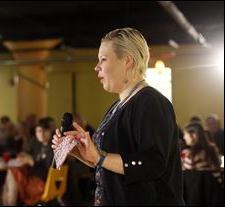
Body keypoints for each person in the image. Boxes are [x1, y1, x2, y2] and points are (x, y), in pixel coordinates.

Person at [52, 28, 184, 205]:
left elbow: (153, 163)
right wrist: (81, 152)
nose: (96, 67)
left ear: (127, 61)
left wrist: (100, 157)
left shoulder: (151, 102)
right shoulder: (118, 106)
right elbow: (108, 162)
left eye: (103, 60)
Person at [2, 117, 54, 206]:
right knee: (12, 172)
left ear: (50, 131)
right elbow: (25, 152)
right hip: (33, 177)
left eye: (44, 131)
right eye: (38, 131)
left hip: (44, 182)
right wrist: (25, 157)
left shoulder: (53, 149)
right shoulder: (38, 145)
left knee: (13, 176)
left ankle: (9, 203)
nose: (41, 134)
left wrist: (31, 162)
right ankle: (8, 203)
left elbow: (48, 174)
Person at [181, 122, 223, 205]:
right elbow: (218, 175)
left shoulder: (187, 155)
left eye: (186, 134)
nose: (184, 137)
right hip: (212, 196)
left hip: (193, 196)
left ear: (194, 135)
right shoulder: (211, 150)